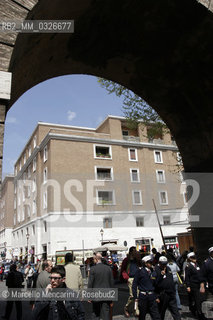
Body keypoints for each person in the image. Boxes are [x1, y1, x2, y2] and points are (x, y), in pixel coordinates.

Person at [151, 256, 181, 320]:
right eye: (163, 264)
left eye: (165, 263)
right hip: (162, 294)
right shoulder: (156, 270)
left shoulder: (168, 269)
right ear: (159, 263)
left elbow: (171, 279)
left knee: (175, 311)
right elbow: (154, 284)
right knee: (161, 312)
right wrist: (156, 296)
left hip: (170, 293)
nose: (164, 265)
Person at [133, 255, 161, 320]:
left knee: (156, 315)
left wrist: (157, 296)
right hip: (143, 296)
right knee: (142, 315)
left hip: (152, 296)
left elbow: (156, 285)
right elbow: (134, 284)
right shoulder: (140, 272)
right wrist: (135, 297)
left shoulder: (153, 272)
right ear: (145, 263)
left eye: (152, 262)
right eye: (150, 262)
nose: (151, 264)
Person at [88, 252, 114, 320]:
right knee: (106, 314)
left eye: (94, 259)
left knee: (96, 313)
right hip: (106, 294)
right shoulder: (108, 269)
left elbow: (90, 283)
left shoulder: (93, 269)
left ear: (96, 259)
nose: (93, 260)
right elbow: (111, 283)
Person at [185, 252, 207, 320]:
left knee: (202, 299)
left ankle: (193, 308)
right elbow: (187, 277)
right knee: (197, 299)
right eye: (193, 258)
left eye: (195, 257)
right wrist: (188, 286)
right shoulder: (188, 266)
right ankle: (199, 313)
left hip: (199, 284)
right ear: (190, 259)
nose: (195, 259)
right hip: (193, 285)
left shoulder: (197, 264)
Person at [120, 246, 140, 317]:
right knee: (132, 295)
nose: (135, 252)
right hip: (130, 278)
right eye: (134, 251)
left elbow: (139, 266)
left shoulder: (136, 259)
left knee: (137, 295)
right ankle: (126, 308)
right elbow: (123, 270)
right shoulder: (127, 260)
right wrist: (126, 278)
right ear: (131, 252)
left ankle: (136, 310)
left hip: (137, 278)